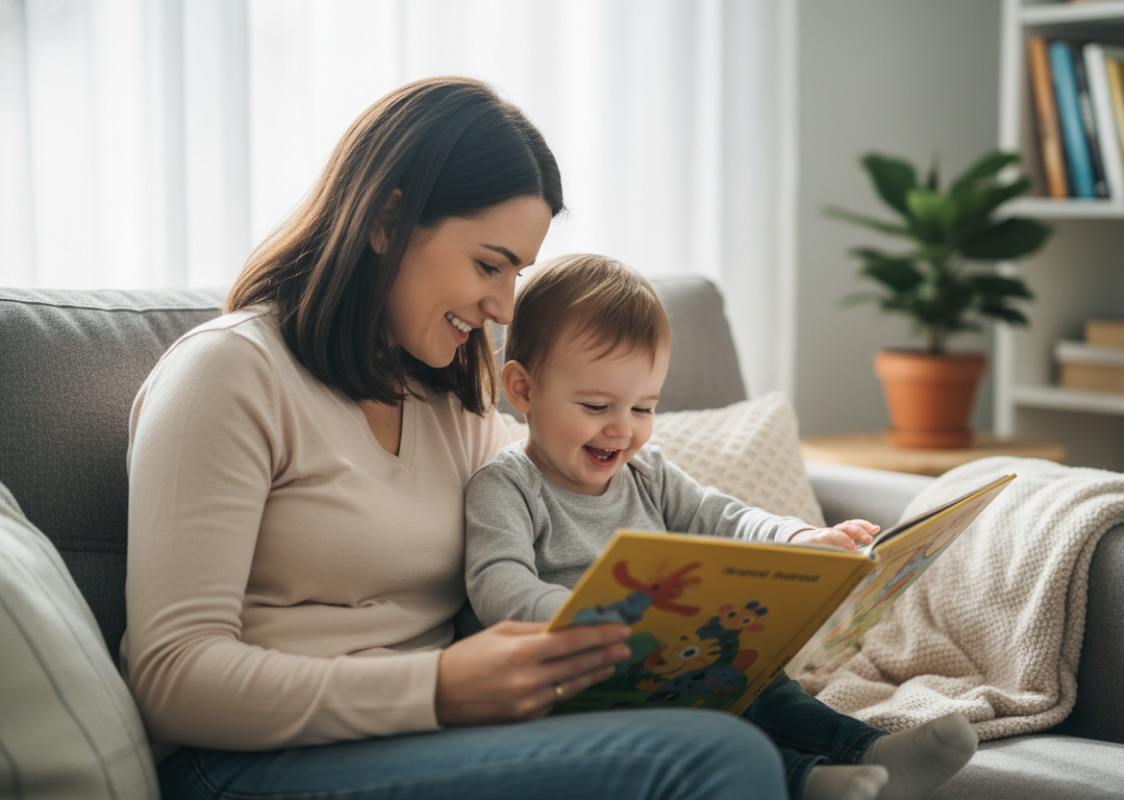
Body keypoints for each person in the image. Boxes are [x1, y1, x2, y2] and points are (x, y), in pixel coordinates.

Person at [124, 77, 796, 800]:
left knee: (740, 715)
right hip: (246, 761)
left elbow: (581, 468)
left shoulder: (450, 399)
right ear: (387, 221)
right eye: (488, 264)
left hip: (433, 736)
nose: (504, 305)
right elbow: (173, 676)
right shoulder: (227, 374)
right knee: (714, 759)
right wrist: (437, 687)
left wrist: (780, 562)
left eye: (518, 273)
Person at [463, 253, 980, 800]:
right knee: (685, 730)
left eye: (642, 408)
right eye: (596, 405)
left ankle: (869, 751)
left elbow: (723, 516)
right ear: (521, 391)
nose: (621, 429)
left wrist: (797, 537)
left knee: (761, 686)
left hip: (666, 658)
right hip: (568, 684)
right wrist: (585, 620)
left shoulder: (648, 473)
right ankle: (809, 782)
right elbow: (496, 582)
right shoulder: (506, 485)